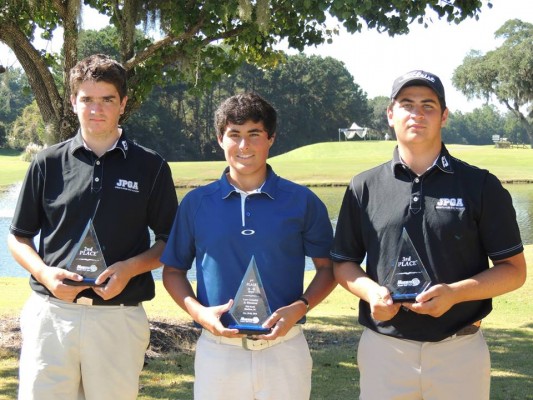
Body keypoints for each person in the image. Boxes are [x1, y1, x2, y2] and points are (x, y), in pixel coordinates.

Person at [331, 70, 526, 400]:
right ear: (390, 114)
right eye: (407, 104)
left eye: (428, 105)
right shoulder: (363, 186)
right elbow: (344, 263)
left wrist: (454, 293)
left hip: (460, 351)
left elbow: (513, 270)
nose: (417, 114)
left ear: (444, 116)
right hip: (384, 352)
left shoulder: (480, 185)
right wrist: (371, 294)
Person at [8, 54, 178, 400]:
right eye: (86, 99)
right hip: (52, 315)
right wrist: (44, 274)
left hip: (117, 318)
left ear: (123, 104)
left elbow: (169, 241)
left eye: (107, 100)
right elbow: (19, 236)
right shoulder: (47, 162)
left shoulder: (152, 166)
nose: (95, 109)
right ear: (73, 102)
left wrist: (129, 269)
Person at [161, 92, 336, 400]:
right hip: (218, 352)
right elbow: (174, 270)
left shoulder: (303, 201)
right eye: (234, 135)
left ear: (271, 138)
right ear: (220, 139)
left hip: (285, 349)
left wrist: (302, 306)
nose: (244, 146)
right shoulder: (196, 203)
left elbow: (328, 268)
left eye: (254, 134)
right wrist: (198, 312)